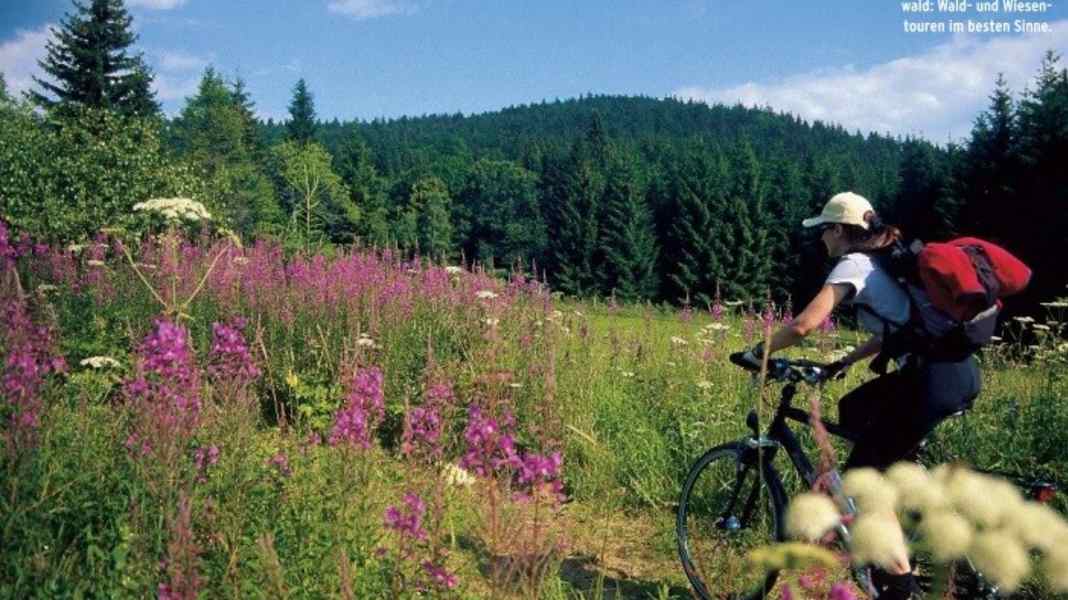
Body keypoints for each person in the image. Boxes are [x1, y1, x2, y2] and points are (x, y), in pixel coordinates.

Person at [732, 191, 981, 600]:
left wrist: (759, 353)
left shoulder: (855, 264)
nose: (821, 239)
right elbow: (896, 329)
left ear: (838, 230)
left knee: (862, 481)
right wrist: (843, 362)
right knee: (854, 408)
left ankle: (898, 584)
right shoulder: (885, 261)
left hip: (931, 381)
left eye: (823, 230)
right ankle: (913, 524)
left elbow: (804, 324)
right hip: (957, 373)